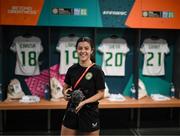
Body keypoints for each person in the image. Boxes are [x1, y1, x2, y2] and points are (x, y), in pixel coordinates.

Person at [60, 37, 105, 136]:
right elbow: (65, 88)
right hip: (72, 110)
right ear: (76, 50)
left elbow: (101, 94)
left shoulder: (97, 71)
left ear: (91, 50)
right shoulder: (72, 69)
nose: (83, 51)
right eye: (80, 48)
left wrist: (84, 102)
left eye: (86, 48)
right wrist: (65, 93)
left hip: (89, 112)